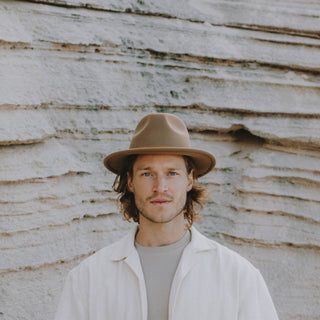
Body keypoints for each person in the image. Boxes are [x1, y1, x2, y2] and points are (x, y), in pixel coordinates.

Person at [54, 113, 279, 320]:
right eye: (147, 173)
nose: (160, 187)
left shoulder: (238, 276)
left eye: (172, 173)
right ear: (130, 181)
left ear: (189, 180)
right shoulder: (88, 277)